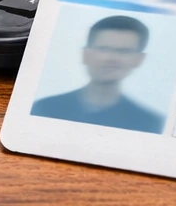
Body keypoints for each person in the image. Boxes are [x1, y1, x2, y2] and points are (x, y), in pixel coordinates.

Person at [30, 15, 166, 134]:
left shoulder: (150, 123)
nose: (111, 58)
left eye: (124, 51)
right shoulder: (44, 108)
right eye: (103, 49)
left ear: (139, 60)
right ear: (85, 54)